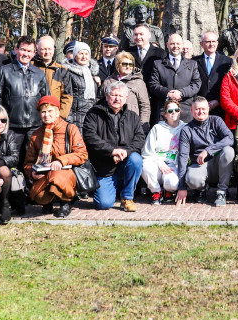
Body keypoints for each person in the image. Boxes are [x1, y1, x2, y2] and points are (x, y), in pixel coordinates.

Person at [82, 82, 145, 211]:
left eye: (121, 96)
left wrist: (125, 152)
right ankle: (110, 189)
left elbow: (140, 138)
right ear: (106, 96)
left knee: (136, 159)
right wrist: (112, 151)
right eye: (114, 95)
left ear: (126, 98)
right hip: (104, 168)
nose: (117, 98)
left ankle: (127, 197)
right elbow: (90, 137)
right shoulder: (94, 114)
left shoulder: (132, 116)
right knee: (103, 204)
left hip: (125, 162)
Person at [0, 36, 50, 169]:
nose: (26, 54)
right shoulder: (3, 71)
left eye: (29, 51)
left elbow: (46, 100)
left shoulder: (39, 74)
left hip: (35, 126)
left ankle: (29, 188)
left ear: (34, 53)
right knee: (10, 161)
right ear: (16, 49)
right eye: (23, 50)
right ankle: (11, 189)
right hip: (12, 126)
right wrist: (0, 122)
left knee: (32, 161)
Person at [24, 96, 88, 218]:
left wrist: (61, 161)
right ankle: (48, 201)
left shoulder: (71, 129)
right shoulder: (36, 134)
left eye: (50, 111)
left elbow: (82, 154)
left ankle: (67, 201)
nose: (46, 115)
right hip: (45, 173)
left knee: (56, 176)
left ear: (57, 112)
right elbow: (28, 162)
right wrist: (32, 173)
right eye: (43, 112)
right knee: (38, 195)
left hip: (66, 172)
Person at [177, 96, 236, 206]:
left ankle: (222, 191)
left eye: (203, 108)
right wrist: (182, 187)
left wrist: (208, 150)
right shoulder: (186, 130)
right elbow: (183, 157)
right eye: (197, 109)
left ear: (208, 108)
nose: (201, 112)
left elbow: (230, 138)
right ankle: (202, 189)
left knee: (229, 151)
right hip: (200, 165)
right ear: (191, 110)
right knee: (192, 180)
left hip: (219, 164)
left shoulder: (216, 121)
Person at [148, 33, 201, 123]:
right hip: (164, 111)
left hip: (186, 112)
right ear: (167, 45)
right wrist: (168, 93)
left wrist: (181, 93)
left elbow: (196, 84)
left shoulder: (192, 64)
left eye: (178, 43)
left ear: (182, 45)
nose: (175, 46)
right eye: (172, 44)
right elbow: (153, 84)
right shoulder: (158, 64)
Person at [141, 101, 185, 204]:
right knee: (144, 165)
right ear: (165, 114)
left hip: (174, 164)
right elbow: (147, 152)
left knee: (172, 183)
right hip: (157, 164)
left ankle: (168, 191)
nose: (173, 113)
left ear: (179, 112)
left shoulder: (185, 128)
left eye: (176, 110)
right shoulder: (157, 128)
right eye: (170, 111)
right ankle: (156, 192)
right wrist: (160, 164)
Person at [102, 52, 151, 126]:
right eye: (124, 64)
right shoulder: (108, 81)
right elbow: (101, 101)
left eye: (131, 64)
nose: (128, 67)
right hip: (110, 123)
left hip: (131, 124)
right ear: (118, 65)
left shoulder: (138, 82)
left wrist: (142, 126)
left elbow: (145, 106)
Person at [33, 35, 72, 120]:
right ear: (37, 49)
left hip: (54, 117)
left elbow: (67, 96)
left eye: (49, 49)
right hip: (34, 116)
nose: (47, 52)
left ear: (54, 49)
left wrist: (60, 116)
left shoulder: (62, 70)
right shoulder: (31, 67)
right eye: (43, 49)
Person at [194, 31, 232, 115]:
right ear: (201, 44)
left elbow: (230, 85)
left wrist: (218, 100)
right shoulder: (194, 62)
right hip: (199, 108)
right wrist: (199, 101)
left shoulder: (227, 61)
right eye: (208, 42)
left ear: (217, 43)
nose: (211, 44)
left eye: (213, 41)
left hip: (220, 107)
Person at [63, 42, 100, 129]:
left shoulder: (91, 74)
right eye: (81, 53)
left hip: (90, 117)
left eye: (86, 54)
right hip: (75, 118)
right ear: (75, 55)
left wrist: (98, 84)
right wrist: (69, 120)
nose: (84, 57)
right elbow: (67, 97)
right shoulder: (68, 73)